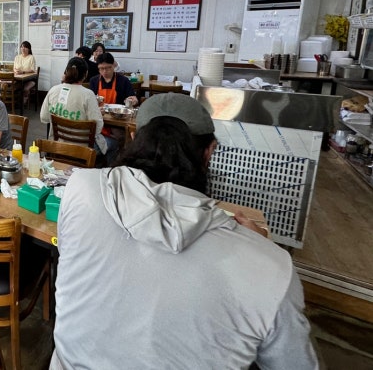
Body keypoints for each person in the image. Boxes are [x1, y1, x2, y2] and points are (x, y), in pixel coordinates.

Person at [50, 93, 317, 369]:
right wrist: (259, 248)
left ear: (133, 139)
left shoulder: (80, 187)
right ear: (209, 152)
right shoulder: (270, 268)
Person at [40, 57, 115, 164]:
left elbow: (44, 118)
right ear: (85, 74)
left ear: (66, 72)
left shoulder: (53, 90)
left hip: (58, 146)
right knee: (115, 144)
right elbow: (97, 128)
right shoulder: (88, 94)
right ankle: (99, 173)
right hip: (83, 150)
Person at [14, 40, 37, 106]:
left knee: (25, 89)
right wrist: (16, 71)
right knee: (12, 86)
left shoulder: (31, 57)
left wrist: (23, 72)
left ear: (29, 49)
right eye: (22, 47)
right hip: (18, 78)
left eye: (25, 47)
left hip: (29, 79)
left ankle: (23, 102)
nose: (23, 48)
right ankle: (14, 102)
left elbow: (32, 70)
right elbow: (14, 68)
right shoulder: (17, 57)